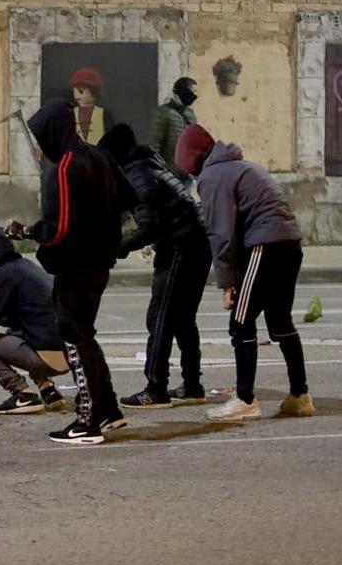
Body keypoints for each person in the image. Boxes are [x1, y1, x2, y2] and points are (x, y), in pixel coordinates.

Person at [9, 101, 136, 446]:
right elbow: (129, 197)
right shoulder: (100, 156)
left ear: (52, 132)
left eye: (40, 135)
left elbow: (61, 226)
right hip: (100, 260)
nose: (39, 143)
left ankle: (88, 420)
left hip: (77, 263)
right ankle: (108, 409)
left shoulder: (66, 166)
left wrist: (35, 236)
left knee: (73, 338)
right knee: (85, 335)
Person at [177, 124, 313, 422]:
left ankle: (244, 399)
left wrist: (227, 284)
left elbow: (222, 234)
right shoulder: (240, 166)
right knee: (280, 322)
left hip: (265, 245)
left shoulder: (212, 177)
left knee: (240, 322)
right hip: (289, 243)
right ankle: (300, 396)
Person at [98, 123, 211, 409]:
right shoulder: (150, 165)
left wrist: (119, 247)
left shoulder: (139, 176)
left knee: (160, 317)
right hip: (195, 242)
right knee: (183, 317)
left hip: (180, 246)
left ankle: (155, 387)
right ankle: (192, 385)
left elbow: (149, 225)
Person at [0, 226, 69, 414]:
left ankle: (23, 395)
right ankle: (48, 389)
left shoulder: (4, 275)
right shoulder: (26, 266)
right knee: (16, 331)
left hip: (46, 356)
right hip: (68, 353)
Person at [149, 77, 198, 175]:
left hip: (187, 172)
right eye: (193, 92)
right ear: (183, 92)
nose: (195, 96)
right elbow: (155, 145)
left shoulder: (191, 114)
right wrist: (159, 171)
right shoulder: (163, 112)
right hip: (169, 171)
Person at [69, 67, 115, 143]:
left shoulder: (104, 115)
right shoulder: (70, 114)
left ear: (93, 91)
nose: (76, 95)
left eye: (81, 91)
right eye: (74, 91)